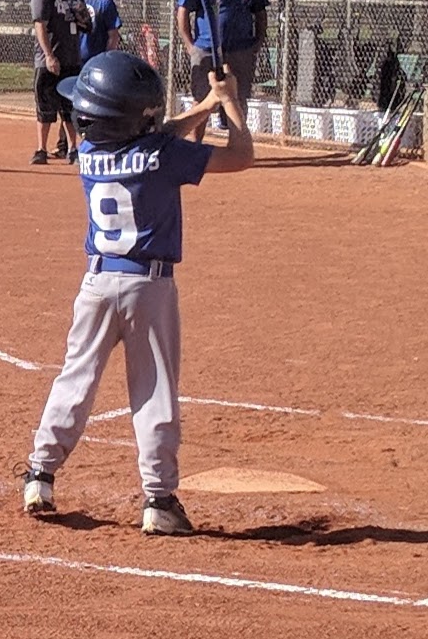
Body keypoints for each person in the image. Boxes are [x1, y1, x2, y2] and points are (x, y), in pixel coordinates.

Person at [20, 51, 254, 536]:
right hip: (149, 286)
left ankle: (40, 475)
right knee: (154, 390)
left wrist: (207, 101)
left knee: (74, 378)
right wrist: (231, 106)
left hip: (97, 283)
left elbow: (156, 136)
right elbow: (241, 156)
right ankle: (159, 499)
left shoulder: (86, 153)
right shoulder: (164, 156)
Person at [174, 0, 268, 143]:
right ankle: (195, 145)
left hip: (240, 49)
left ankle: (236, 147)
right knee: (201, 99)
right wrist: (190, 45)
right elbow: (183, 10)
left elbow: (260, 13)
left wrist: (257, 42)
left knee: (238, 99)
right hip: (206, 47)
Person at [30, 0, 91, 165]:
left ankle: (73, 149)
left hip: (71, 59)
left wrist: (81, 16)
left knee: (70, 107)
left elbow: (86, 25)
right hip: (49, 60)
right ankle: (41, 149)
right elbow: (40, 26)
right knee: (45, 106)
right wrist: (49, 56)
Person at [74, 0, 123, 66]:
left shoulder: (105, 2)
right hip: (73, 60)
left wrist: (106, 59)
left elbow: (113, 35)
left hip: (95, 61)